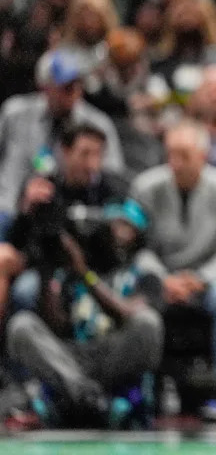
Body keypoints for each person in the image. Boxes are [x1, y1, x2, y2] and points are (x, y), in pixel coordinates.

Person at [130, 120, 216, 421]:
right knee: (135, 293)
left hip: (210, 280)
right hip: (162, 277)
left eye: (184, 155)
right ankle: (142, 385)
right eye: (171, 154)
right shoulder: (145, 187)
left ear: (203, 156)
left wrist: (201, 280)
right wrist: (162, 279)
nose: (176, 163)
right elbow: (136, 248)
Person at [5, 199, 163, 427]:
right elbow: (58, 324)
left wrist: (86, 275)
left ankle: (84, 397)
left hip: (114, 354)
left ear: (139, 234)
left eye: (126, 226)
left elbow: (128, 314)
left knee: (148, 323)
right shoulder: (75, 266)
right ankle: (86, 396)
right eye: (114, 225)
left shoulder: (145, 271)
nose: (118, 233)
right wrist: (46, 269)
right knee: (22, 325)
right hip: (73, 357)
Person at [2, 123, 128, 318]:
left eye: (98, 155)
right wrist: (26, 209)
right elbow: (16, 241)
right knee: (24, 289)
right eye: (85, 154)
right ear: (65, 151)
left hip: (94, 270)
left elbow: (118, 249)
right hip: (47, 267)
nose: (91, 164)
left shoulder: (111, 190)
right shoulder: (44, 187)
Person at [0, 50, 124, 239]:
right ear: (44, 87)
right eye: (66, 87)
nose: (74, 92)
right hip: (8, 206)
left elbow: (112, 178)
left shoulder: (97, 125)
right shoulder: (15, 113)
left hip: (68, 212)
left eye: (78, 85)